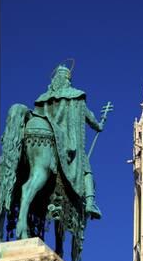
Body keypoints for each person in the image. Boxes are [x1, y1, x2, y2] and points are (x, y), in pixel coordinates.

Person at [33, 63, 103, 219]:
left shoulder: (43, 98)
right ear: (67, 79)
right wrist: (99, 125)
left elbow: (36, 116)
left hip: (46, 135)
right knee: (86, 169)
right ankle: (90, 203)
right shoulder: (75, 95)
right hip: (67, 142)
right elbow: (89, 116)